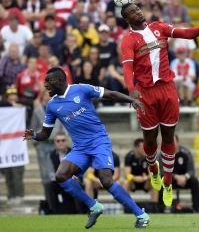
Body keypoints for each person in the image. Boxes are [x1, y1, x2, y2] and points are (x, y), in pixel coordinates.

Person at [23, 67, 150, 229]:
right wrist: (34, 135)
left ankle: (141, 215)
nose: (45, 85)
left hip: (99, 142)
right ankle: (94, 206)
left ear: (60, 81)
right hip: (80, 148)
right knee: (61, 175)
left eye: (49, 81)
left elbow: (110, 94)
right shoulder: (52, 105)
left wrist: (132, 100)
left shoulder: (81, 89)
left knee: (106, 179)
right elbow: (46, 133)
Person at [120, 3, 199, 207]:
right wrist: (131, 88)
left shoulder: (159, 27)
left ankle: (168, 182)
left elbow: (183, 32)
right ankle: (153, 169)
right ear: (127, 19)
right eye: (133, 12)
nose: (138, 11)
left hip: (167, 88)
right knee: (150, 138)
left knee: (169, 135)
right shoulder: (128, 40)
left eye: (138, 8)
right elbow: (128, 68)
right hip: (145, 92)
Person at [158, 134, 199, 212]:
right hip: (171, 179)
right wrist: (176, 177)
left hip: (185, 179)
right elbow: (162, 171)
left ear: (178, 143)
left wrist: (185, 177)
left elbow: (191, 170)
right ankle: (161, 208)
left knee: (194, 181)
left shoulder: (186, 153)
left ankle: (197, 207)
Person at [45, 132, 79, 214]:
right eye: (58, 141)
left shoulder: (74, 153)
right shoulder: (51, 155)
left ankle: (79, 210)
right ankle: (52, 211)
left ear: (66, 141)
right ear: (55, 142)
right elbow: (50, 172)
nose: (61, 143)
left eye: (63, 140)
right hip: (58, 182)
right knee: (48, 185)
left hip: (71, 180)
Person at [124, 138, 158, 202]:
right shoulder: (129, 157)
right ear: (136, 148)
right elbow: (127, 175)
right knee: (126, 182)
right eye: (142, 148)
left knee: (155, 182)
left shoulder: (149, 157)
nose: (144, 150)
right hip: (133, 182)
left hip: (146, 182)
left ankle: (154, 206)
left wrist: (147, 177)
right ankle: (126, 206)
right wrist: (135, 178)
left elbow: (152, 174)